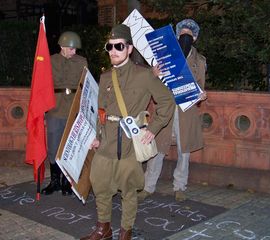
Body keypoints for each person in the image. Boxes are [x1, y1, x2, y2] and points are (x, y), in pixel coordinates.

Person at [80, 24, 175, 240]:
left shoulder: (144, 76)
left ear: (129, 49)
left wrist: (153, 129)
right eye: (110, 46)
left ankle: (125, 232)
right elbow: (100, 112)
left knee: (129, 191)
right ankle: (103, 229)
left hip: (130, 143)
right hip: (106, 144)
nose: (113, 51)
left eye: (119, 46)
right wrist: (96, 136)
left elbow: (166, 102)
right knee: (101, 186)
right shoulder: (105, 77)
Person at [138, 19, 207, 202]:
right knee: (157, 148)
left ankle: (180, 187)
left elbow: (200, 87)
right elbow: (152, 84)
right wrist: (153, 74)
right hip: (165, 109)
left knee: (184, 152)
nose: (186, 37)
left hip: (187, 112)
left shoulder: (199, 61)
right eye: (182, 34)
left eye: (189, 35)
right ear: (176, 36)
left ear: (195, 38)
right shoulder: (164, 56)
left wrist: (201, 95)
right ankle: (148, 186)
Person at [42, 31, 88, 196]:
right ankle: (54, 181)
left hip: (73, 110)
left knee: (71, 148)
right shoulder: (51, 61)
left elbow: (86, 86)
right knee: (53, 146)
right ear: (61, 46)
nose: (74, 51)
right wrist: (41, 107)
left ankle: (66, 182)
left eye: (76, 49)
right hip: (55, 108)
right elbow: (42, 85)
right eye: (70, 48)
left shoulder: (82, 62)